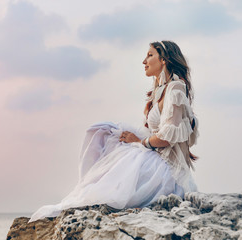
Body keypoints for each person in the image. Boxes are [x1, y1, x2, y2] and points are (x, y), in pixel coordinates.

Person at [29, 40, 199, 223]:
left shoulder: (176, 88)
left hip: (167, 168)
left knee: (112, 179)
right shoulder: (160, 90)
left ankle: (92, 190)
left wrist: (138, 142)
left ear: (164, 59)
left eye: (150, 55)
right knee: (104, 130)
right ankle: (86, 183)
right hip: (157, 155)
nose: (144, 61)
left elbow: (167, 137)